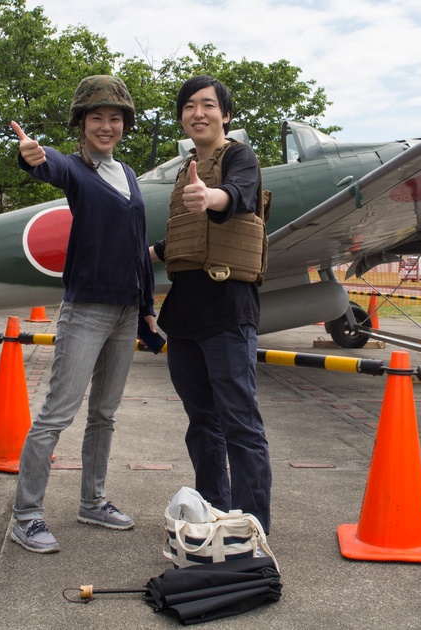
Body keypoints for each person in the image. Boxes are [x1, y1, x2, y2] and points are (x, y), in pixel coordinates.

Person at [9, 75, 157, 554]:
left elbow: (137, 248)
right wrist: (34, 155)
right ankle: (26, 514)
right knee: (56, 415)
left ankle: (92, 501)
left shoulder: (128, 174)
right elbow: (49, 166)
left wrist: (148, 309)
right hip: (86, 311)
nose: (107, 126)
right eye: (97, 118)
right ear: (82, 123)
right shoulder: (73, 168)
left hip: (125, 310)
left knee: (105, 415)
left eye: (115, 118)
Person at [151, 75, 272, 533]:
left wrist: (213, 196)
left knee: (240, 422)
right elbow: (187, 236)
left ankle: (252, 526)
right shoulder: (186, 169)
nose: (197, 113)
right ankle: (213, 514)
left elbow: (238, 195)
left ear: (225, 114)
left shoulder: (239, 156)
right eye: (188, 106)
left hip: (228, 309)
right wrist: (151, 253)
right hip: (184, 315)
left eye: (207, 105)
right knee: (201, 422)